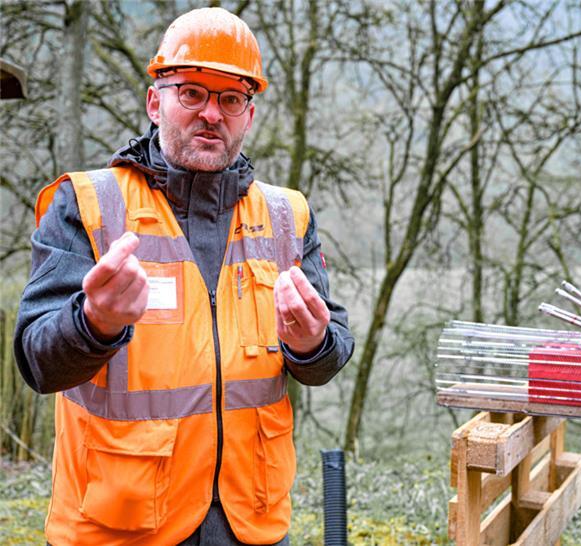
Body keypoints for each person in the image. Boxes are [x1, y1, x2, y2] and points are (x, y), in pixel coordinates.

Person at [13, 7, 354, 546]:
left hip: (251, 526)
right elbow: (36, 361)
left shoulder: (288, 217)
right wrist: (93, 322)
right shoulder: (89, 204)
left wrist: (312, 344)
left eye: (230, 99)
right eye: (191, 93)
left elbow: (329, 354)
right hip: (120, 529)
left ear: (250, 114)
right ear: (155, 102)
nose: (211, 114)